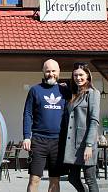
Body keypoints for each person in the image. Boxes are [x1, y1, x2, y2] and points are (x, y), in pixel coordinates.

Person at [23, 59, 70, 192]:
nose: (51, 74)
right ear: (43, 72)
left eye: (53, 71)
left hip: (58, 142)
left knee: (55, 180)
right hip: (38, 140)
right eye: (48, 71)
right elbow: (27, 114)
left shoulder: (65, 91)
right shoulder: (35, 90)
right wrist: (27, 136)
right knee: (34, 179)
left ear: (59, 72)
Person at [63, 62, 101, 192]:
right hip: (73, 144)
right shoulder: (74, 94)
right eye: (75, 75)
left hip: (85, 144)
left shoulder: (93, 93)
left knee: (90, 179)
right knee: (72, 178)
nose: (78, 78)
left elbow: (94, 120)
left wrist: (89, 145)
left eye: (81, 75)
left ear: (88, 76)